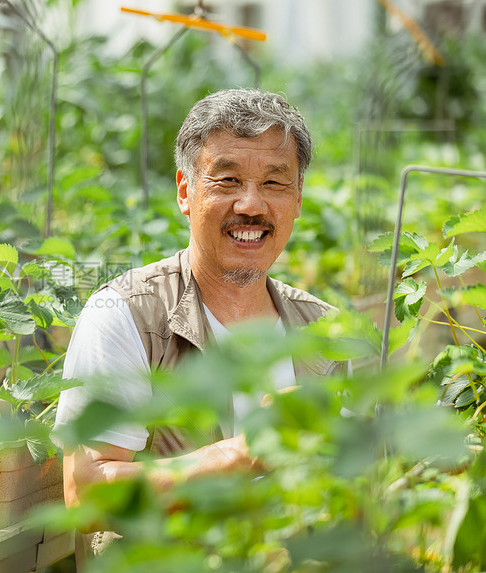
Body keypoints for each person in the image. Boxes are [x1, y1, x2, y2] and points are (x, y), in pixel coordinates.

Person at [52, 88, 347, 566]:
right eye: (227, 179)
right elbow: (86, 495)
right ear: (185, 191)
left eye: (275, 183)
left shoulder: (323, 330)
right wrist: (243, 453)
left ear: (297, 200)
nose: (251, 205)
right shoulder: (126, 314)